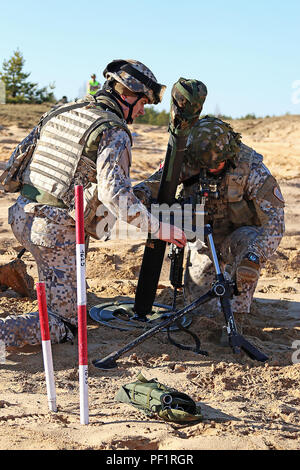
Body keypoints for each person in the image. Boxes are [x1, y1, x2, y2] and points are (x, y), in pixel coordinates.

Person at [0, 59, 186, 349]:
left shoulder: (61, 110)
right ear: (126, 95)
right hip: (54, 235)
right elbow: (116, 196)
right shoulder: (113, 130)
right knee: (65, 324)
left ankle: (54, 285)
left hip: (21, 216)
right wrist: (158, 227)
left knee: (72, 278)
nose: (142, 110)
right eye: (142, 103)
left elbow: (14, 164)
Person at [134, 114, 285, 317]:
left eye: (217, 163)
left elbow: (274, 222)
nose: (211, 168)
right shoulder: (188, 159)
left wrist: (254, 255)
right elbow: (156, 183)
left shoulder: (251, 167)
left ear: (229, 154)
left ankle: (238, 314)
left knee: (243, 274)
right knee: (200, 312)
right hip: (202, 238)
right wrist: (138, 194)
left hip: (239, 236)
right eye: (206, 165)